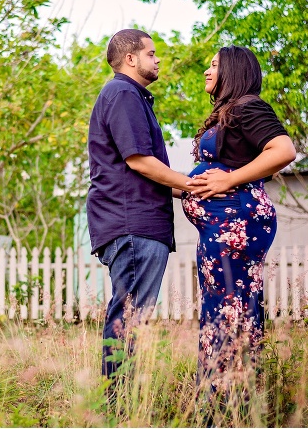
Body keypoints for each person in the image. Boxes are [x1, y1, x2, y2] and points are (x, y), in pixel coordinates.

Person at [182, 45, 296, 395]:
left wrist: (229, 180)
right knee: (226, 306)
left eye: (214, 65)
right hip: (219, 227)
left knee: (231, 308)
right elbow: (213, 174)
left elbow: (284, 151)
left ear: (232, 71)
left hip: (238, 225)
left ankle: (225, 399)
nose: (207, 70)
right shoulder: (228, 112)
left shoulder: (249, 106)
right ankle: (229, 397)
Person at [86, 29, 196, 388]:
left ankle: (125, 400)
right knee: (129, 316)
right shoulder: (122, 93)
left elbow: (142, 167)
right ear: (130, 59)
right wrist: (191, 184)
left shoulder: (128, 96)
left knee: (134, 315)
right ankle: (119, 407)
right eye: (151, 53)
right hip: (132, 222)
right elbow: (139, 161)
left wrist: (189, 193)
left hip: (137, 222)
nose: (158, 58)